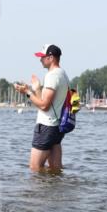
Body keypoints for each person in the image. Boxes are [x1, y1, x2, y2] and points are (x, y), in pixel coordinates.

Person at [13, 44, 70, 172]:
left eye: (42, 57)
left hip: (46, 127)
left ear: (51, 57)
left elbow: (44, 106)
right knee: (55, 169)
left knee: (34, 168)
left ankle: (40, 186)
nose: (40, 60)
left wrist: (28, 92)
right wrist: (37, 88)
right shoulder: (63, 74)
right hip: (57, 127)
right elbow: (47, 102)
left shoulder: (52, 76)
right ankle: (54, 186)